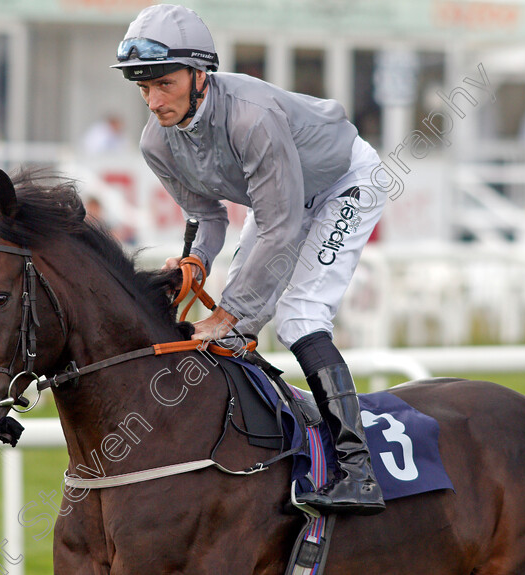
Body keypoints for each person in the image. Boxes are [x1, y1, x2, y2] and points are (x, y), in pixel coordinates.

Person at [113, 4, 387, 515]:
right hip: (279, 198)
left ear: (200, 75)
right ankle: (254, 450)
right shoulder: (157, 141)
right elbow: (206, 216)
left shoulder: (250, 116)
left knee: (299, 317)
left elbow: (281, 228)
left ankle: (357, 469)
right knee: (232, 330)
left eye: (163, 84)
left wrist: (231, 312)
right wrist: (195, 262)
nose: (153, 102)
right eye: (143, 88)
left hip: (344, 182)